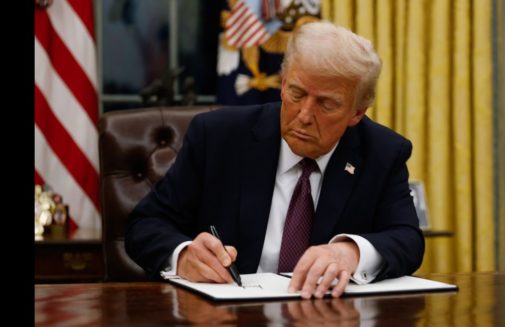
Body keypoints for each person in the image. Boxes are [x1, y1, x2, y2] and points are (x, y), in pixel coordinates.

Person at [125, 21, 424, 299]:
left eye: (326, 104)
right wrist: (184, 254)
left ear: (357, 113)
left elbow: (408, 239)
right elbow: (146, 224)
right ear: (282, 85)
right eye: (296, 93)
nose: (305, 116)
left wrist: (351, 253)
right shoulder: (218, 137)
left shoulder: (382, 152)